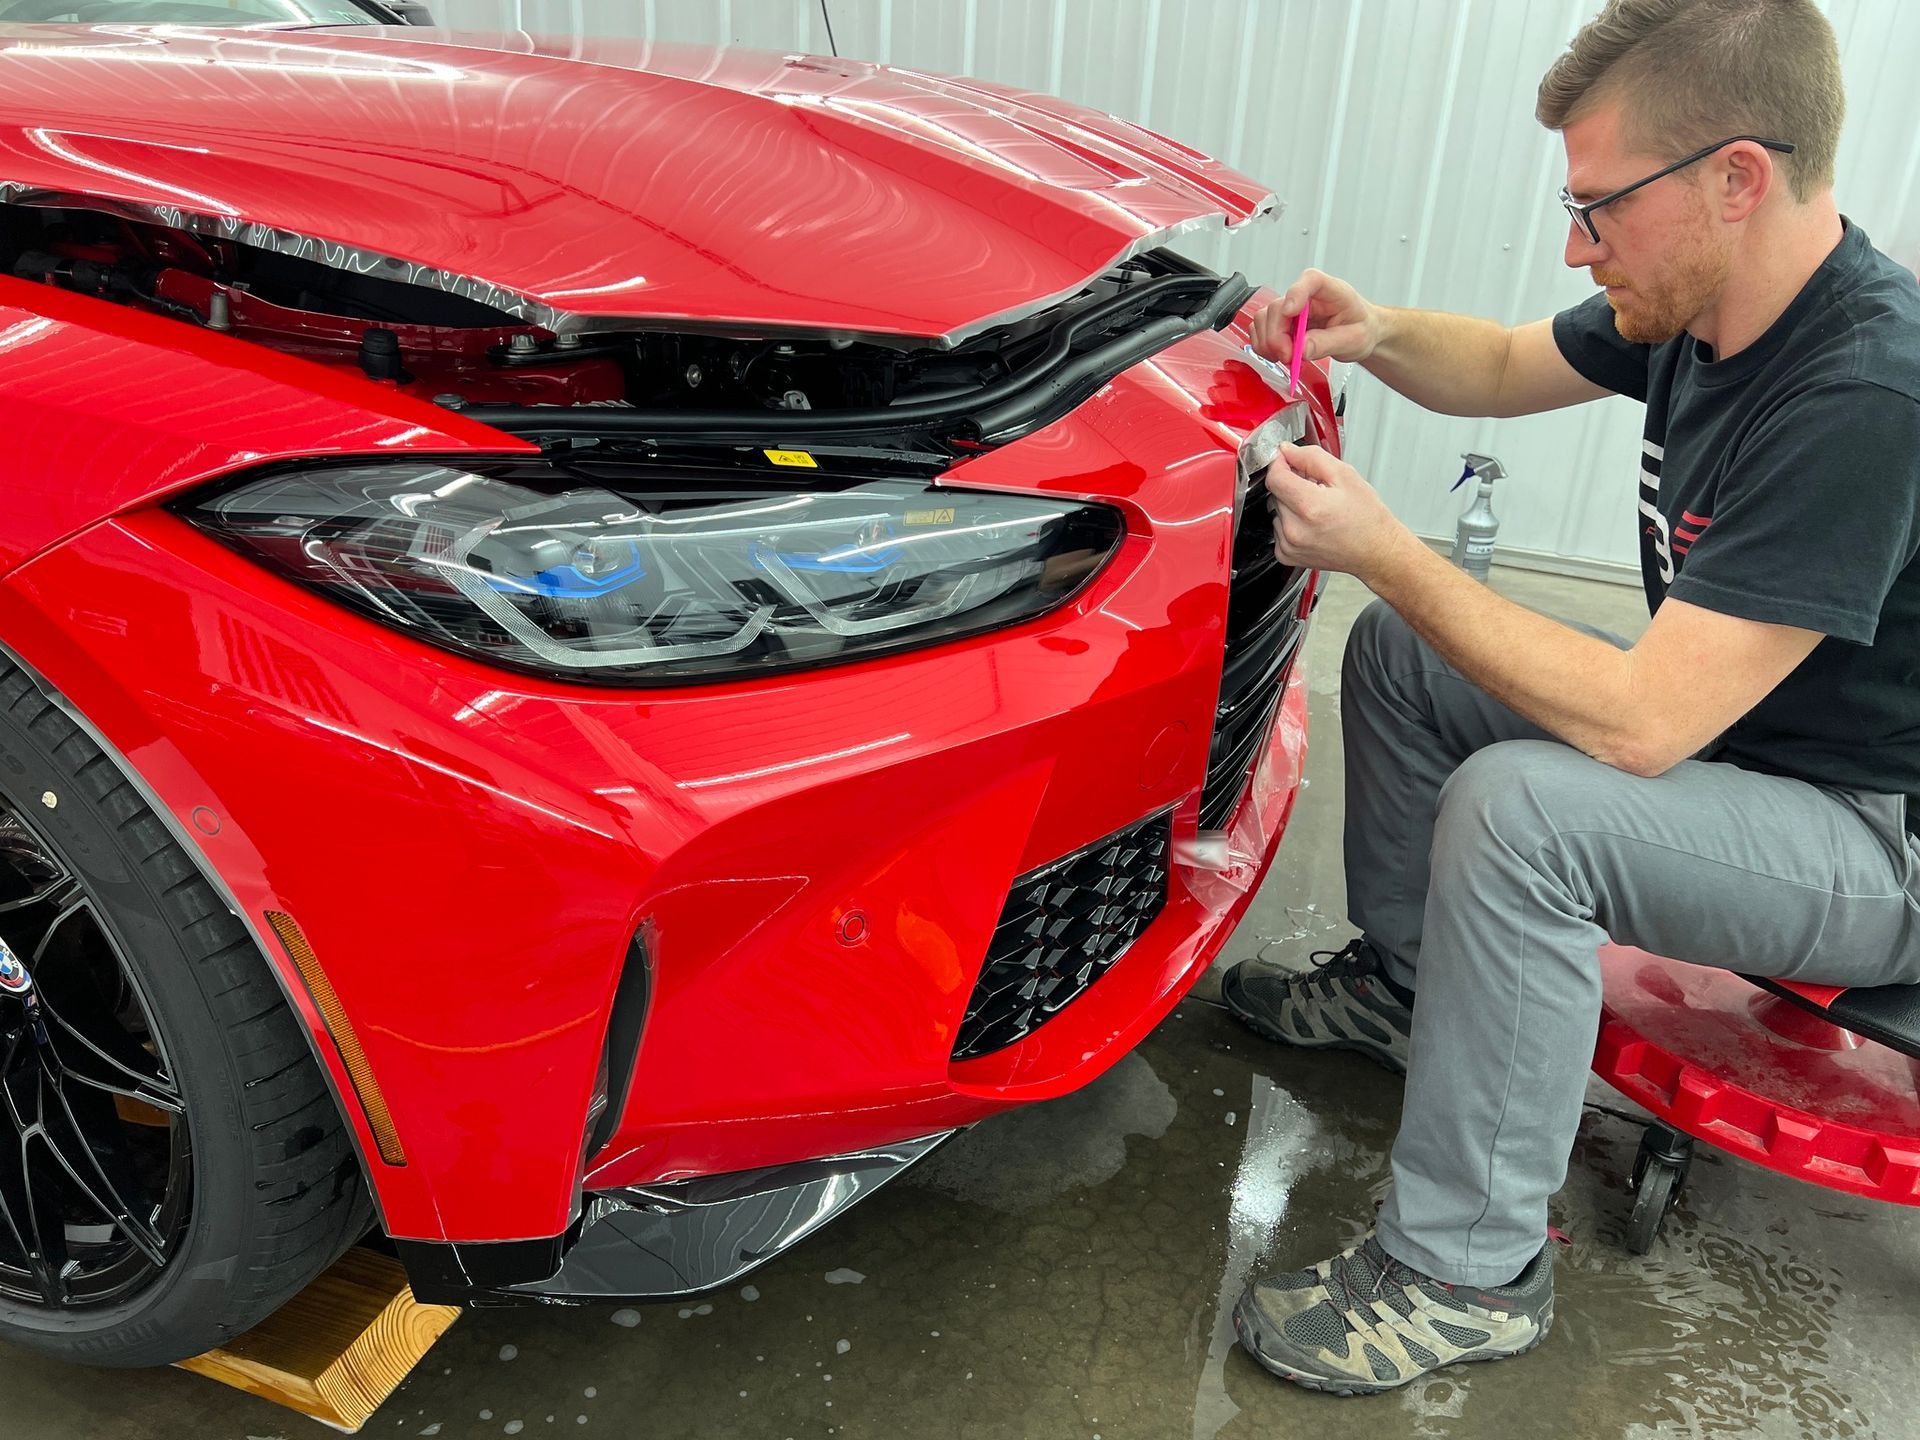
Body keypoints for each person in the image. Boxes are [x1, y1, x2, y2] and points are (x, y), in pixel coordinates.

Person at [1222, 0, 1920, 1397]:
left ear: (1737, 176)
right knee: (1406, 655)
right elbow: (1496, 364)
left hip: (1870, 841)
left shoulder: (1863, 389)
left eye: (1600, 209)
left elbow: (1641, 728)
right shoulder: (1699, 298)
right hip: (1746, 762)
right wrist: (1373, 331)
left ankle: (1467, 1269)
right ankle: (1411, 993)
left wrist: (1385, 551)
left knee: (1524, 812)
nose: (1572, 245)